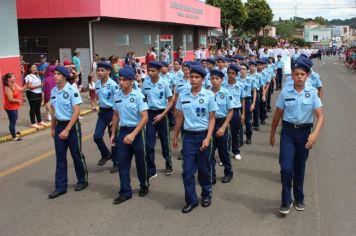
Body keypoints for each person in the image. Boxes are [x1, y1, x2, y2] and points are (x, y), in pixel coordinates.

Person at [269, 59, 324, 215]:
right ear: (291, 76)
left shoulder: (312, 92)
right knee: (286, 168)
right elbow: (277, 114)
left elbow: (320, 116)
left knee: (299, 168)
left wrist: (315, 133)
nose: (299, 77)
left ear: (307, 76)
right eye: (296, 74)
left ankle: (299, 198)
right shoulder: (286, 92)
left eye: (302, 74)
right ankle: (286, 201)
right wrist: (272, 134)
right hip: (288, 132)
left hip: (305, 133)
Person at [173, 65, 217, 214]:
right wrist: (175, 136)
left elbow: (212, 119)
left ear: (203, 79)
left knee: (204, 169)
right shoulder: (183, 95)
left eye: (196, 77)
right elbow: (179, 117)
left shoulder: (209, 96)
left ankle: (206, 193)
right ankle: (191, 200)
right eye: (191, 76)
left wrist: (208, 138)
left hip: (203, 135)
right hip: (188, 137)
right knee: (187, 171)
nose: (193, 79)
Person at [48, 65, 88, 199]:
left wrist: (67, 129)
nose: (55, 76)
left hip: (72, 127)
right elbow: (53, 111)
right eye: (55, 74)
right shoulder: (53, 91)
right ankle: (60, 187)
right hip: (59, 125)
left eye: (58, 74)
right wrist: (53, 127)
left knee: (77, 155)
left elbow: (77, 111)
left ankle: (82, 180)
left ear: (64, 76)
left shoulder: (72, 90)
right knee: (60, 158)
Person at [110, 67, 149, 204]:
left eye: (124, 80)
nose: (121, 82)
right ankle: (125, 191)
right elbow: (115, 115)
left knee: (140, 162)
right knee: (122, 163)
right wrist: (113, 133)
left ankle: (144, 184)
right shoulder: (117, 96)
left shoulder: (139, 95)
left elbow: (144, 118)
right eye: (120, 79)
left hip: (137, 132)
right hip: (123, 132)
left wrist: (133, 134)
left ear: (131, 81)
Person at [142, 61, 174, 178]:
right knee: (149, 144)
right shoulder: (145, 84)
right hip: (150, 115)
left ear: (159, 71)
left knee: (165, 142)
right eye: (149, 70)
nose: (150, 73)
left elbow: (170, 101)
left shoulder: (165, 84)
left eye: (153, 71)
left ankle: (168, 164)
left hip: (162, 114)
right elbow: (143, 99)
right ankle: (151, 169)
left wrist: (163, 115)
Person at [94, 62, 120, 173]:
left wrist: (117, 117)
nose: (99, 73)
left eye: (102, 70)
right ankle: (105, 154)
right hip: (102, 113)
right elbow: (98, 97)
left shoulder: (113, 84)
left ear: (108, 71)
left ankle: (116, 162)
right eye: (98, 70)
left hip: (112, 112)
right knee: (97, 136)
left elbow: (118, 100)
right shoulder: (97, 83)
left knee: (113, 138)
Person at [209, 69, 234, 184]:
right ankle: (211, 176)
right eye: (212, 78)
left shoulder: (226, 93)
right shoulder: (206, 93)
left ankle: (228, 172)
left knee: (223, 152)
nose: (214, 81)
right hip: (210, 124)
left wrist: (223, 127)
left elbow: (230, 111)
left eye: (217, 79)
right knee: (210, 152)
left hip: (222, 123)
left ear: (222, 80)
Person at [224, 64, 245, 161]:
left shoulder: (240, 85)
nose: (231, 75)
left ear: (236, 74)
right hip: (225, 112)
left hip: (236, 111)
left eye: (233, 73)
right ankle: (226, 154)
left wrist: (243, 113)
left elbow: (242, 100)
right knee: (226, 134)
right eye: (229, 73)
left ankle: (236, 151)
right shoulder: (223, 85)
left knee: (235, 132)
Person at [237, 63, 257, 145]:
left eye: (244, 69)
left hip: (248, 100)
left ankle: (249, 137)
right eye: (240, 69)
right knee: (239, 121)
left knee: (248, 121)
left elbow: (254, 91)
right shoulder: (236, 80)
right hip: (238, 101)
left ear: (247, 70)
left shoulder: (251, 79)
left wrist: (253, 104)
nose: (242, 70)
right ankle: (240, 139)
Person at [3, 73, 26, 141]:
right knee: (12, 121)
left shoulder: (14, 84)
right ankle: (14, 137)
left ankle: (14, 130)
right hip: (10, 107)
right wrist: (18, 101)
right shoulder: (7, 87)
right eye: (13, 77)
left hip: (15, 106)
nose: (15, 78)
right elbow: (10, 99)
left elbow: (21, 89)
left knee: (15, 118)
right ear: (9, 79)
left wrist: (27, 85)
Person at [25, 64, 46, 128]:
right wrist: (40, 85)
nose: (35, 68)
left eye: (36, 67)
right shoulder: (29, 76)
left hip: (38, 93)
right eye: (33, 67)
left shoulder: (37, 75)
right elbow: (29, 87)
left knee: (37, 108)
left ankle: (39, 121)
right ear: (29, 69)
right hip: (32, 94)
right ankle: (33, 123)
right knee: (33, 108)